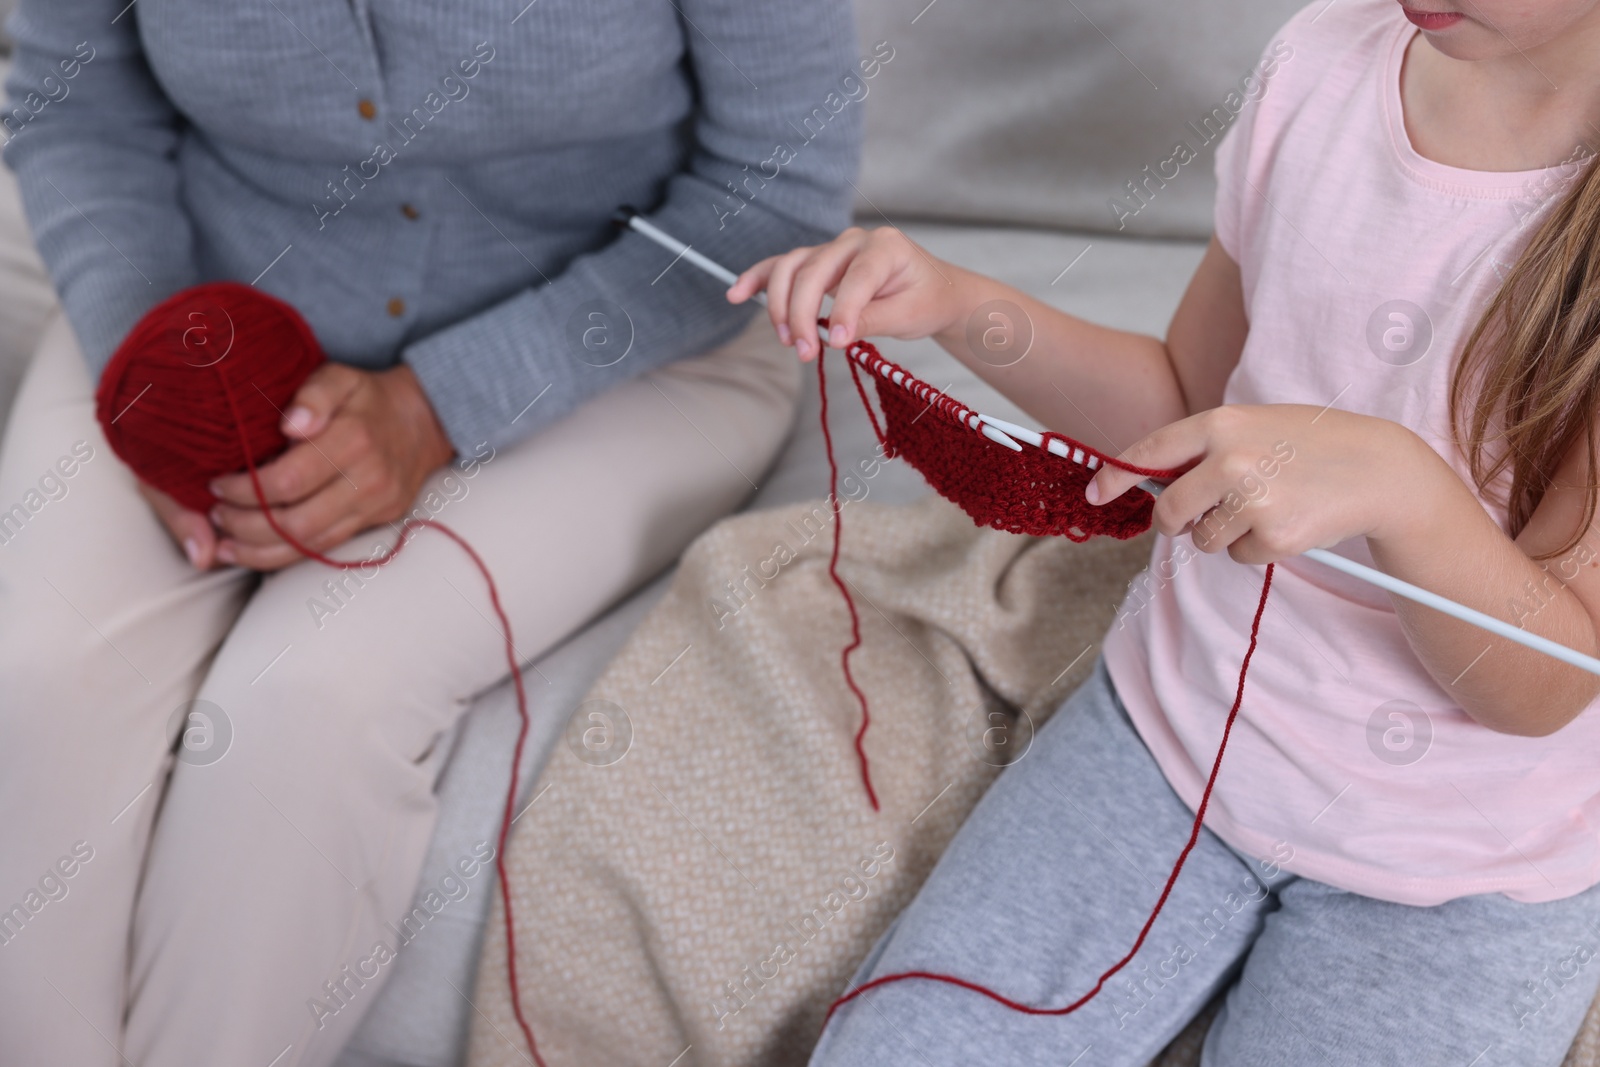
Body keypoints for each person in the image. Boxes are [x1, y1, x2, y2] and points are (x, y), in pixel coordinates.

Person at [730, 0, 1600, 1062]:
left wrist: (1404, 490)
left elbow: (1551, 676)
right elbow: (1185, 402)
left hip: (1461, 860)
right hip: (1165, 735)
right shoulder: (1323, 59)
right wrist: (962, 305)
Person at [0, 1, 861, 1064]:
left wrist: (439, 403)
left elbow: (771, 189)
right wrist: (164, 370)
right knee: (34, 679)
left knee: (309, 701)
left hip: (639, 345)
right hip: (199, 304)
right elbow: (74, 107)